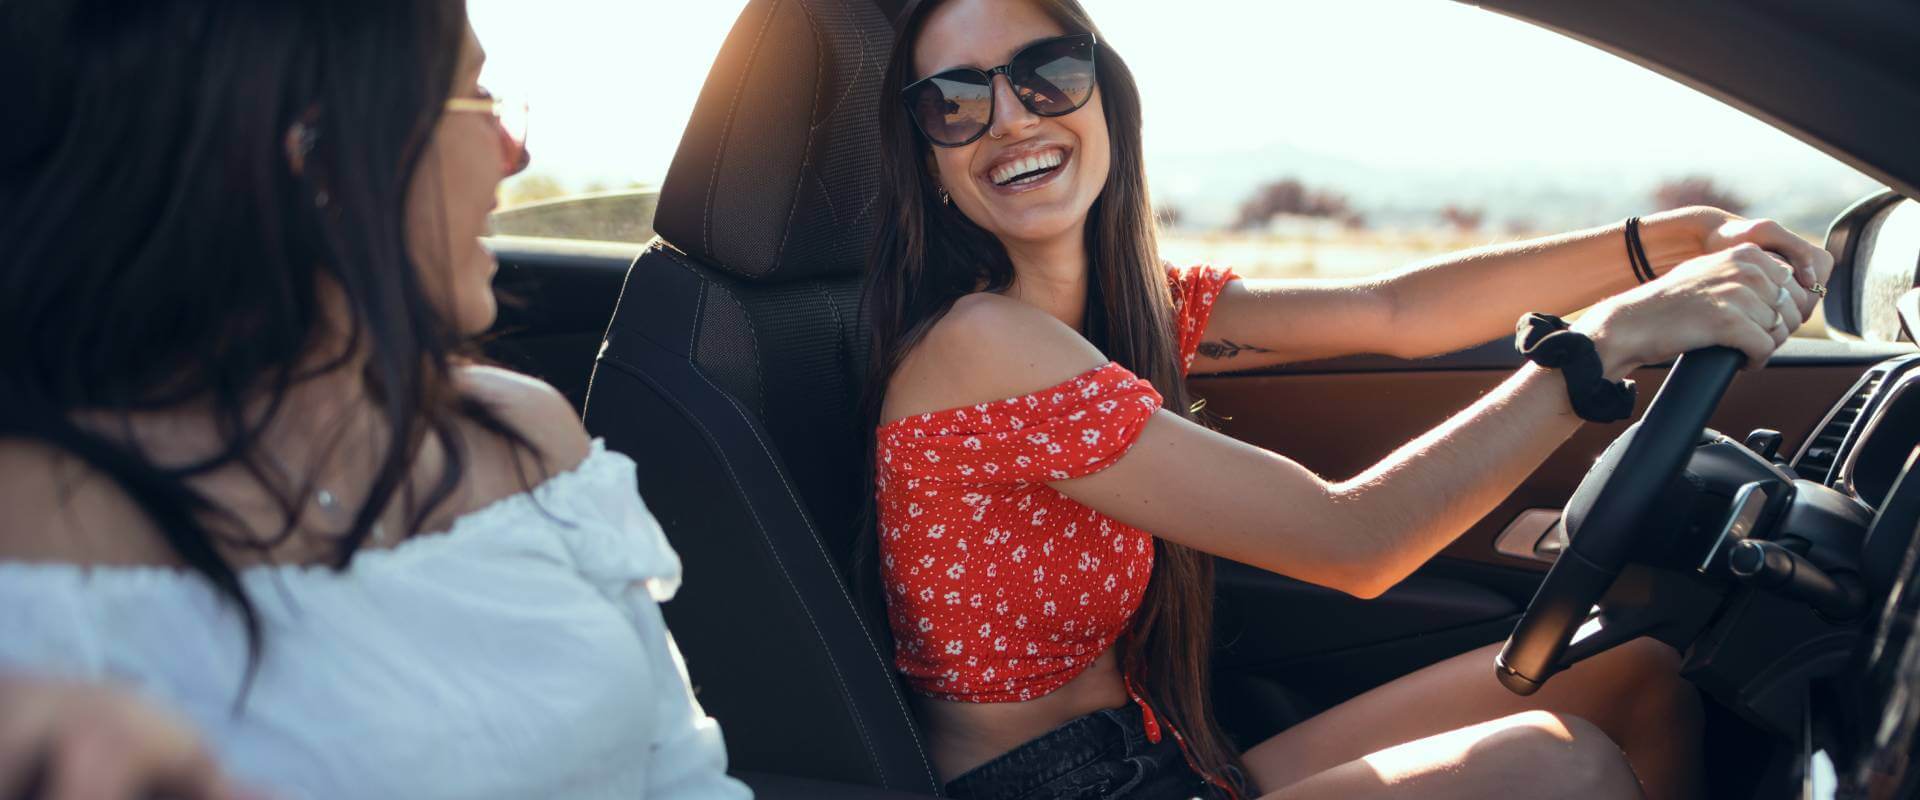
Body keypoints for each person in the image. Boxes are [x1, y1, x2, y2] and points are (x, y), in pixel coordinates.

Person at [862, 0, 1834, 797]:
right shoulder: (980, 345)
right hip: (1065, 787)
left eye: (1044, 74)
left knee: (1638, 674)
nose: (1013, 119)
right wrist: (1606, 343)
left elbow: (1395, 307)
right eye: (954, 104)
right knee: (1561, 764)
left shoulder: (1126, 308)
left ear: (1103, 91)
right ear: (931, 160)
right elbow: (1354, 540)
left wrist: (1673, 241)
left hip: (1157, 752)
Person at [0, 1, 748, 798]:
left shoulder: (531, 441)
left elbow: (684, 776)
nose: (515, 151)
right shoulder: (38, 535)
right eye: (477, 95)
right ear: (317, 156)